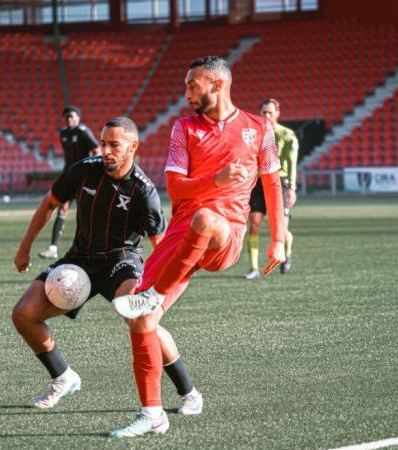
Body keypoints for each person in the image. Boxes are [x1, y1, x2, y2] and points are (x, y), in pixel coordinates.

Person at [109, 56, 286, 438]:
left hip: (227, 234)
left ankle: (153, 294)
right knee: (141, 323)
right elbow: (175, 189)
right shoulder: (184, 129)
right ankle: (154, 413)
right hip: (181, 234)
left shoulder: (259, 128)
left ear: (217, 85)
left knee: (206, 219)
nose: (186, 92)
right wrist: (218, 178)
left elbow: (272, 186)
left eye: (193, 85)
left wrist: (277, 240)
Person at [11, 117, 202, 417]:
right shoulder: (84, 170)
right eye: (103, 143)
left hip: (121, 262)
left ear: (133, 147)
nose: (106, 150)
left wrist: (160, 289)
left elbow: (162, 246)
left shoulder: (144, 191)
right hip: (79, 260)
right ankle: (63, 377)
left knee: (142, 319)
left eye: (114, 144)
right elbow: (50, 203)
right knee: (23, 315)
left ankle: (189, 393)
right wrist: (25, 247)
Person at [245, 98, 298, 278]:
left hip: (279, 182)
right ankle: (253, 268)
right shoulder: (254, 133)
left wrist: (292, 187)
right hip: (258, 183)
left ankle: (286, 252)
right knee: (254, 225)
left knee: (282, 229)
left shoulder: (287, 135)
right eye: (264, 112)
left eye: (270, 112)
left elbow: (291, 163)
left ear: (277, 114)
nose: (267, 115)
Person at [38, 106, 100, 260]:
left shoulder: (83, 131)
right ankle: (53, 249)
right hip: (69, 176)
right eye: (66, 117)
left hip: (83, 177)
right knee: (61, 209)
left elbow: (96, 149)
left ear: (78, 118)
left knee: (86, 212)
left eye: (72, 116)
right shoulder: (63, 133)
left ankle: (94, 248)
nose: (69, 119)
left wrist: (91, 168)